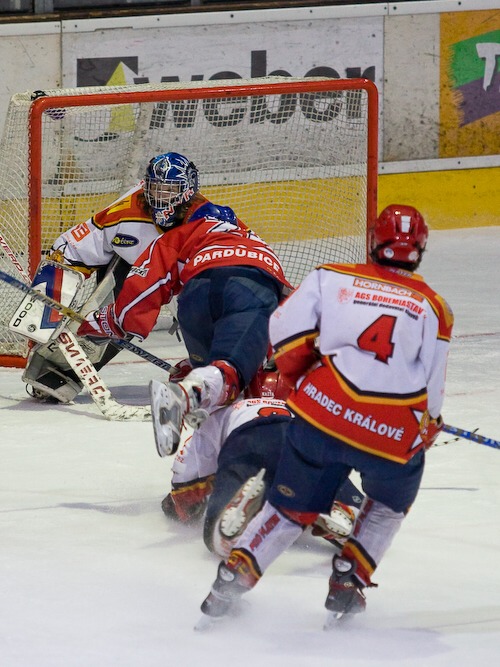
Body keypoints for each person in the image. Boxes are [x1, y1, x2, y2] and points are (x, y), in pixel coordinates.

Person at [197, 204, 454, 629]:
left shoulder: (329, 276)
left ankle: (232, 578)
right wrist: (430, 424)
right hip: (389, 431)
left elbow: (283, 331)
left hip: (322, 416)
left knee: (287, 509)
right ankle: (349, 578)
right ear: (420, 249)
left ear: (373, 240)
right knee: (388, 505)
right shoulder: (436, 307)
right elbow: (434, 386)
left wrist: (301, 377)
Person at [76, 165, 292, 456]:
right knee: (245, 376)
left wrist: (103, 321)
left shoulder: (176, 236)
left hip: (195, 297)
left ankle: (197, 404)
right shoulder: (256, 242)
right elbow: (290, 304)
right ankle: (189, 396)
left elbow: (144, 290)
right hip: (249, 288)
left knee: (212, 372)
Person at [22, 152, 229, 403]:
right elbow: (71, 250)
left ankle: (224, 366)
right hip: (138, 275)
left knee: (212, 321)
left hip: (185, 281)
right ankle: (62, 368)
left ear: (187, 191)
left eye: (169, 189)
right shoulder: (127, 211)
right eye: (155, 187)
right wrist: (44, 309)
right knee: (119, 291)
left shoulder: (209, 219)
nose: (160, 196)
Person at [162, 391, 364, 559]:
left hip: (251, 441)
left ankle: (232, 524)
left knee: (216, 528)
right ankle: (342, 509)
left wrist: (177, 508)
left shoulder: (214, 417)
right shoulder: (292, 404)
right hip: (307, 436)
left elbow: (186, 488)